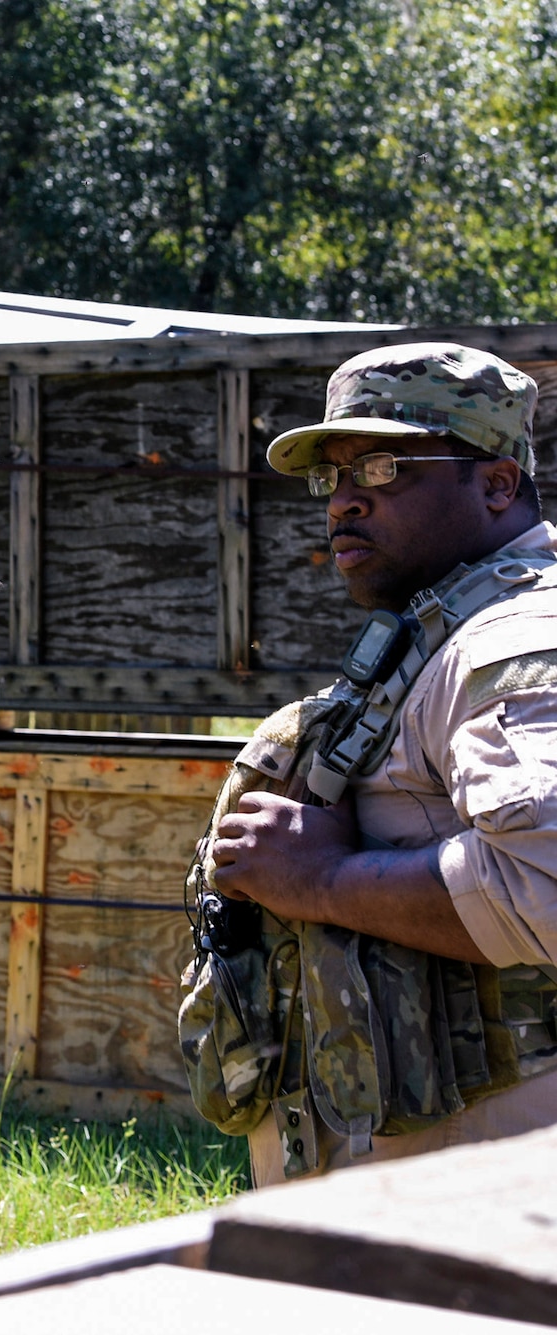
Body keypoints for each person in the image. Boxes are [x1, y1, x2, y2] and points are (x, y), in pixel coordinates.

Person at [189, 343, 557, 1186]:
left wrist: (319, 879)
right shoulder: (442, 630)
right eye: (335, 476)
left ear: (498, 484)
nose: (345, 500)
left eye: (386, 466)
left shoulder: (514, 639)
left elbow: (547, 879)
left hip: (480, 1201)